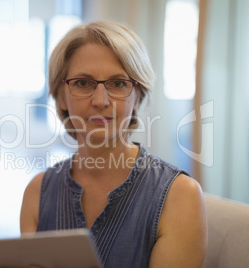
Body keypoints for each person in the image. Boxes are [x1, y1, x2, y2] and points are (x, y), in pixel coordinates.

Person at [20, 21, 207, 267]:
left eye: (118, 83)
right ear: (61, 95)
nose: (100, 100)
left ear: (137, 95)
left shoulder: (180, 196)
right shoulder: (37, 193)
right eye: (83, 83)